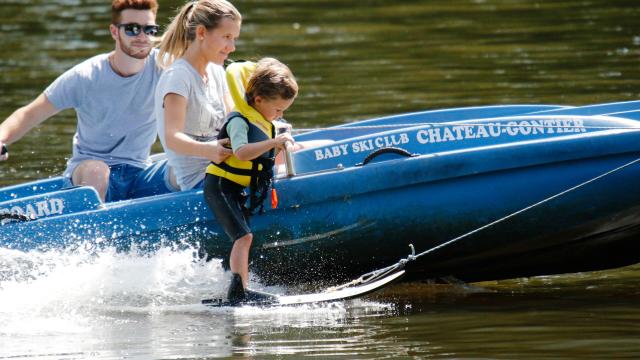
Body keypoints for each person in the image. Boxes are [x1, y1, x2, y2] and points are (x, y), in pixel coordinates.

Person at [0, 0, 173, 202]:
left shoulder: (167, 66)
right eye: (133, 29)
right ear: (115, 32)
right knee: (97, 172)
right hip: (90, 174)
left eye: (150, 29)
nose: (143, 37)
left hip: (140, 172)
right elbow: (29, 113)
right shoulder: (85, 76)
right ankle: (97, 231)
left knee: (190, 164)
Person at [204, 58, 298, 304]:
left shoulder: (264, 122)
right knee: (243, 237)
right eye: (278, 110)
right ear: (258, 100)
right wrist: (273, 142)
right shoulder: (239, 120)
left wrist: (282, 144)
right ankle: (238, 293)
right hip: (221, 186)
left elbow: (262, 159)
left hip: (237, 189)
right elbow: (242, 152)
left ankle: (238, 288)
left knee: (245, 237)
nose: (280, 114)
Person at [154, 0, 241, 192]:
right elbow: (172, 137)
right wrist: (208, 150)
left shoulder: (217, 71)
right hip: (199, 180)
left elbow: (234, 117)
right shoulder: (178, 77)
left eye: (234, 38)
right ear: (201, 33)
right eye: (227, 36)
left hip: (227, 167)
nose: (232, 46)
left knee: (289, 151)